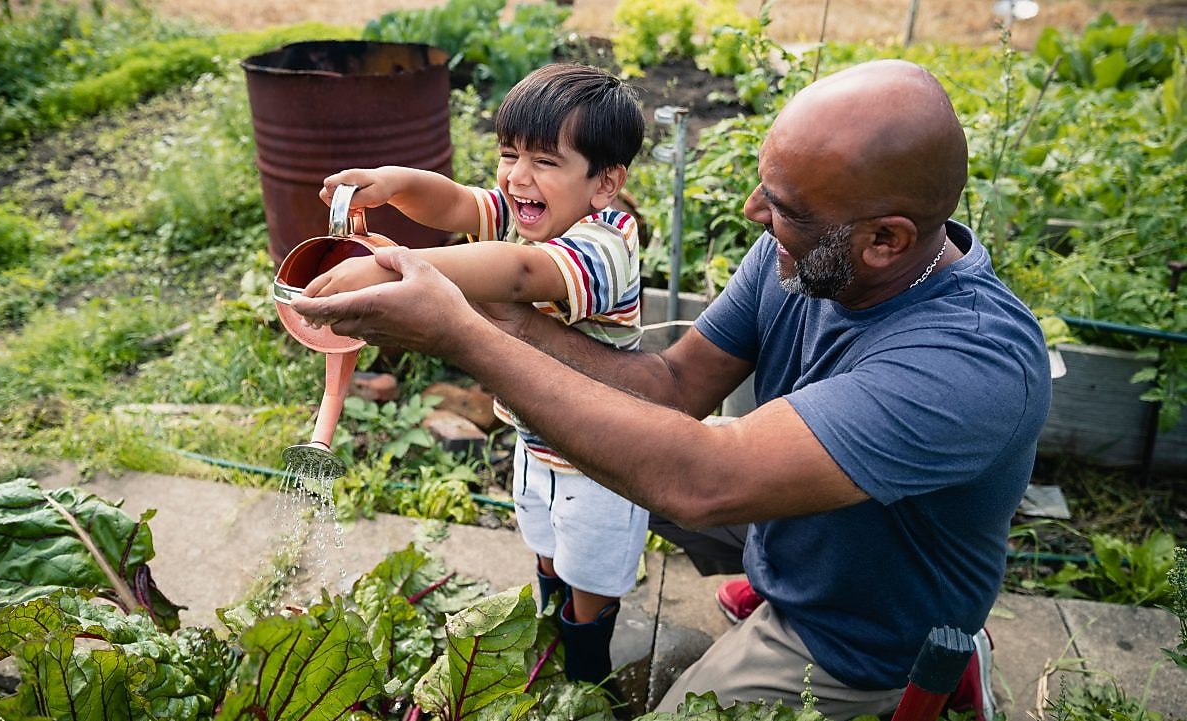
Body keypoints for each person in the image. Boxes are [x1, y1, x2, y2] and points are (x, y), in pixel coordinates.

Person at [292, 59, 1052, 720]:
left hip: (855, 627)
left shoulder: (970, 361)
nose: (756, 215)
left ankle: (938, 669)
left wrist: (457, 328)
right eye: (766, 187)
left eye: (785, 209)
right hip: (785, 523)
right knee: (612, 471)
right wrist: (478, 308)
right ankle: (760, 572)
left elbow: (702, 480)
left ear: (885, 239)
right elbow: (671, 388)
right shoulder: (802, 255)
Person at [304, 63, 648, 686]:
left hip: (604, 457)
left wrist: (392, 269)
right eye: (509, 153)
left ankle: (587, 674)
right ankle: (549, 634)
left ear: (605, 183)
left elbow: (519, 273)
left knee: (591, 574)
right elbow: (459, 203)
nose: (518, 176)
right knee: (545, 545)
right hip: (535, 440)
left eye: (545, 161)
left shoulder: (605, 246)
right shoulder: (529, 212)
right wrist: (393, 184)